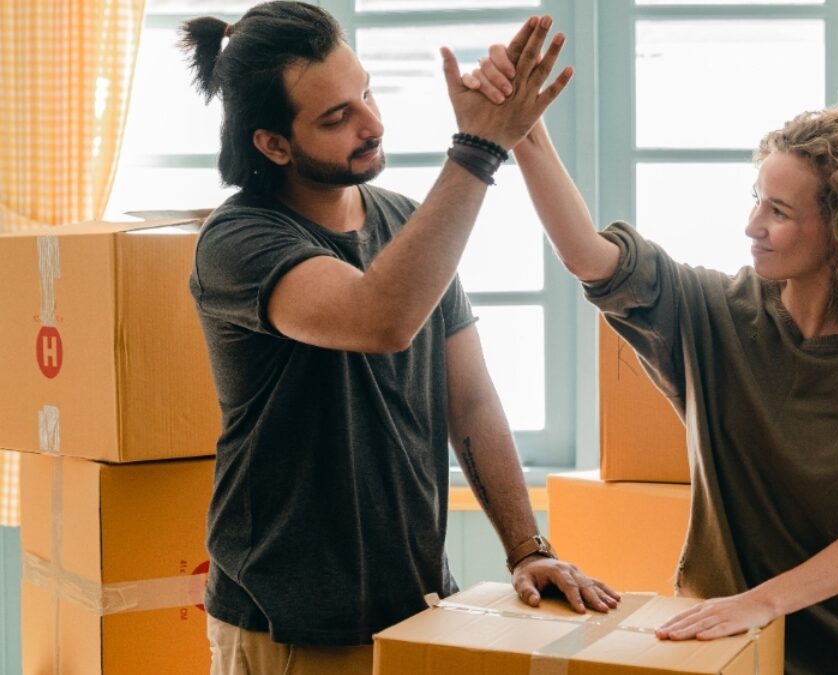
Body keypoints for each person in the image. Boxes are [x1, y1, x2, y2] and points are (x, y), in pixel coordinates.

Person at [466, 41, 838, 673]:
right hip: (726, 653)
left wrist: (761, 602)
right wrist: (524, 135)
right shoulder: (712, 313)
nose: (751, 225)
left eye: (778, 211)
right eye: (756, 199)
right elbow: (589, 256)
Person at [178, 4, 618, 673]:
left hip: (416, 610)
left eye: (367, 91)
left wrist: (528, 547)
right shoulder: (239, 241)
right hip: (289, 628)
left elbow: (468, 399)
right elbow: (380, 318)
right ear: (273, 143)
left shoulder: (407, 222)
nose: (373, 123)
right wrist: (478, 148)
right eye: (336, 118)